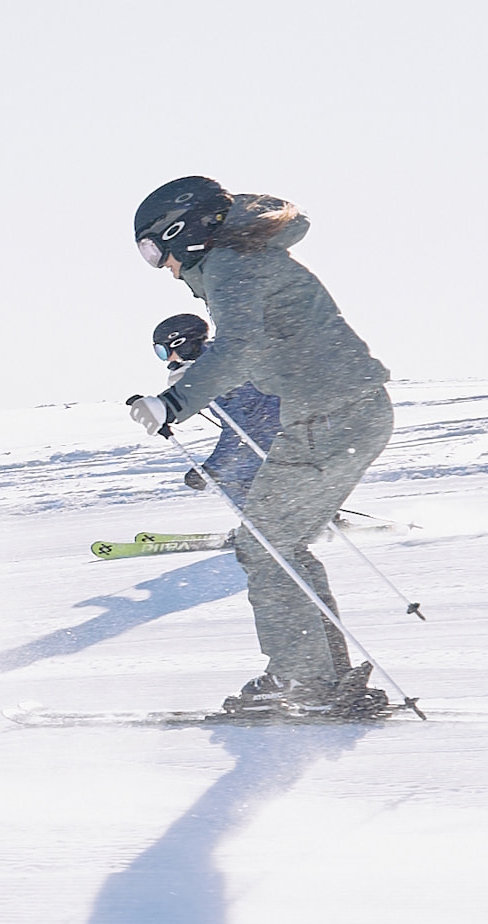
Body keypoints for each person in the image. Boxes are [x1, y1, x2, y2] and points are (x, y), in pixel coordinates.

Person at [127, 176, 395, 716]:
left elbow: (238, 349)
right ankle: (324, 676)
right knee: (278, 547)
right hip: (346, 413)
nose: (160, 266)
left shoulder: (232, 266)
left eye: (154, 250)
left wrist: (173, 405)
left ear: (183, 233)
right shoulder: (244, 259)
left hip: (329, 418)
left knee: (265, 547)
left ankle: (305, 682)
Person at [152, 310, 280, 510]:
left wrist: (212, 468)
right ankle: (312, 521)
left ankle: (265, 533)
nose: (168, 360)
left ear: (182, 344)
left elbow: (238, 430)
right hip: (281, 431)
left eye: (163, 351)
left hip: (273, 435)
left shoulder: (215, 375)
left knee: (232, 478)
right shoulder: (219, 360)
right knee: (265, 478)